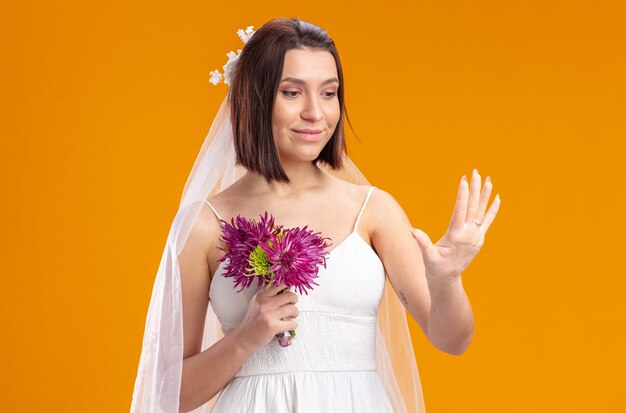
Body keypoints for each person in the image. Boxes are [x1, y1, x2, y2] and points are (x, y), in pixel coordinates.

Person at [131, 18, 500, 413]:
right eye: (292, 93)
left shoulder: (372, 210)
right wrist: (243, 338)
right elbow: (168, 394)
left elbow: (452, 339)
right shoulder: (204, 225)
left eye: (329, 93)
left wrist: (447, 281)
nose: (315, 113)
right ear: (253, 99)